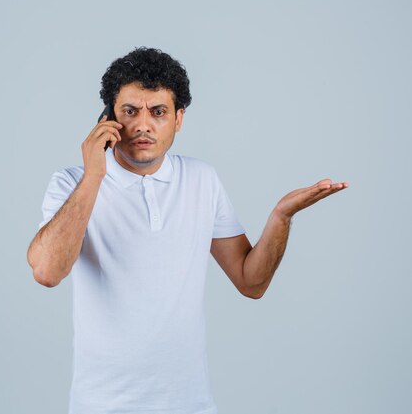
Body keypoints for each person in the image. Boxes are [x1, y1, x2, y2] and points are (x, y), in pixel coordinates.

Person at [27, 47, 348, 414]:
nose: (143, 125)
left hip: (191, 405)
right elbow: (47, 271)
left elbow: (251, 282)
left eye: (158, 112)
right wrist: (95, 174)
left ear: (179, 119)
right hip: (102, 406)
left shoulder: (201, 179)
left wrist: (281, 216)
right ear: (108, 118)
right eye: (130, 111)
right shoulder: (73, 183)